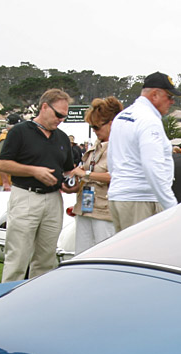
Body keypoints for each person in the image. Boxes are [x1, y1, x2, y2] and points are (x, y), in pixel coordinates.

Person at [0, 88, 75, 282]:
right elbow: (3, 164)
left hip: (53, 200)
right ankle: (8, 304)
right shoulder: (20, 132)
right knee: (18, 256)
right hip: (26, 196)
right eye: (58, 115)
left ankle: (38, 304)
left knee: (46, 258)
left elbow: (68, 170)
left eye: (64, 117)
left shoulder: (62, 137)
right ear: (44, 107)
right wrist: (34, 171)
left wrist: (71, 183)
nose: (60, 120)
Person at [107, 72, 179, 231]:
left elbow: (111, 160)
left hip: (119, 196)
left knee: (125, 252)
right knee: (144, 254)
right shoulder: (149, 120)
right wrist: (171, 205)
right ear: (155, 95)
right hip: (141, 199)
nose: (172, 102)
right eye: (169, 97)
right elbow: (152, 165)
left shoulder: (122, 116)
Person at [64, 96, 122, 254]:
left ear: (111, 123)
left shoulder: (121, 146)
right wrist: (76, 182)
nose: (95, 131)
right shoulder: (96, 146)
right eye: (92, 127)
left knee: (104, 255)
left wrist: (86, 174)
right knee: (82, 254)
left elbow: (116, 176)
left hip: (105, 211)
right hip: (85, 207)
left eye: (97, 127)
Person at [0, 112, 20, 191]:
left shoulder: (9, 137)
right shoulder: (5, 139)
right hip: (5, 183)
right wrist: (5, 183)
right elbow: (1, 161)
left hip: (10, 181)